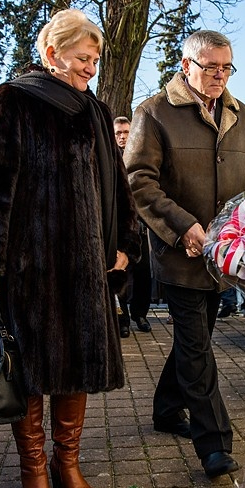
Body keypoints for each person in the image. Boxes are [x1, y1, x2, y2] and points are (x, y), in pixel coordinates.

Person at [0, 9, 139, 488]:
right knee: (34, 368)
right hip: (29, 261)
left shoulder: (97, 111)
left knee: (77, 364)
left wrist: (124, 243)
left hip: (87, 263)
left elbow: (115, 184)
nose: (91, 68)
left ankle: (69, 463)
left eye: (96, 60)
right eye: (83, 58)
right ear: (51, 53)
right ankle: (33, 471)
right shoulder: (11, 99)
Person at [125, 29, 245, 479]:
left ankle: (165, 409)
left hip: (226, 254)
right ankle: (213, 443)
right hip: (181, 251)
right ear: (186, 63)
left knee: (198, 337)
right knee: (197, 345)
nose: (219, 76)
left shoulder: (241, 114)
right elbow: (138, 180)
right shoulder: (154, 112)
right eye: (210, 67)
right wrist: (184, 227)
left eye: (226, 67)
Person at [112, 116, 152, 336]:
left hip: (141, 225)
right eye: (118, 132)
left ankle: (140, 314)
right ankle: (123, 318)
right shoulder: (107, 156)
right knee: (122, 272)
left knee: (145, 273)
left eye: (126, 132)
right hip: (118, 227)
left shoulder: (140, 156)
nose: (122, 137)